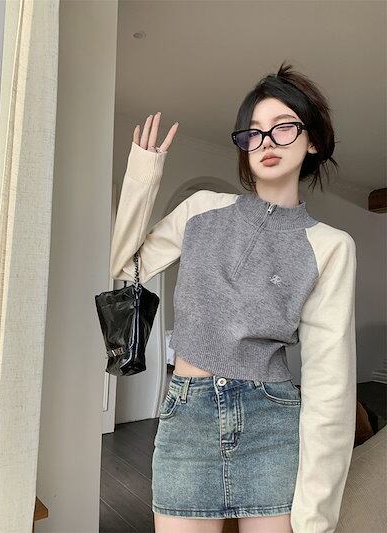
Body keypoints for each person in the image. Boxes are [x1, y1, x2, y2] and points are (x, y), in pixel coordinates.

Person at [109, 61, 357, 533]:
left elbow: (332, 385)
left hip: (272, 425)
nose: (266, 142)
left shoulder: (330, 246)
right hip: (187, 419)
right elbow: (124, 265)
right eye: (254, 132)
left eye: (284, 127)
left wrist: (316, 518)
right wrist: (142, 177)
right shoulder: (201, 209)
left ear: (313, 141)